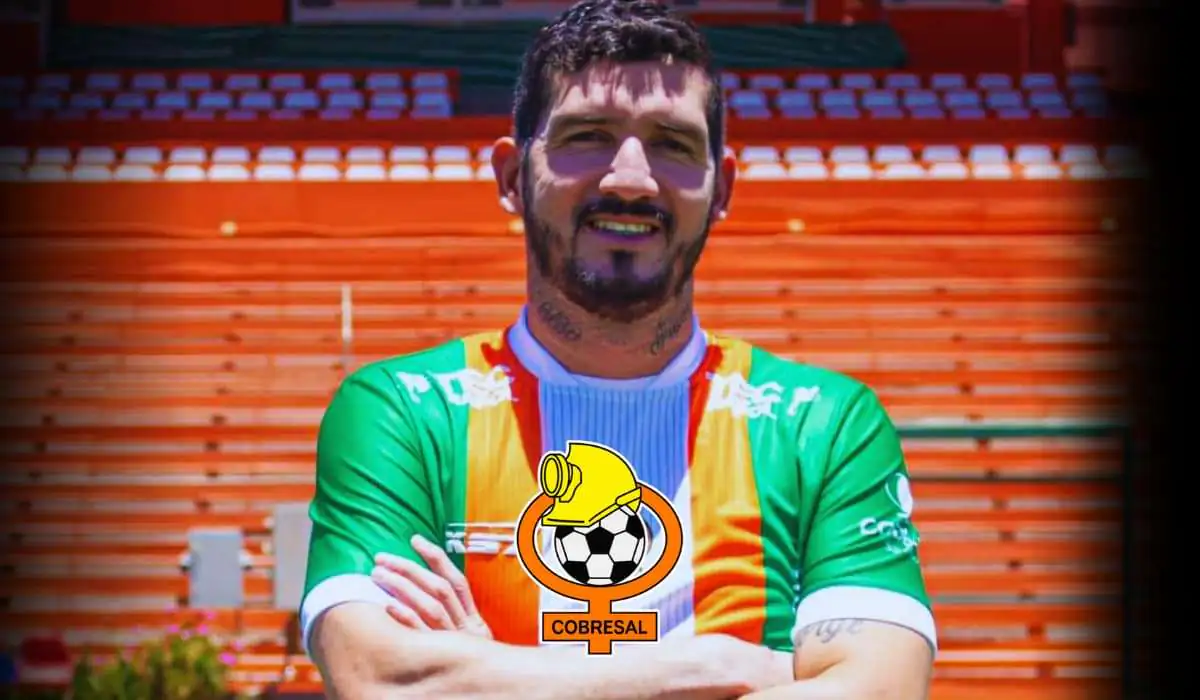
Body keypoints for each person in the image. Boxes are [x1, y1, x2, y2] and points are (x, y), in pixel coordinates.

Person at [299, 1, 936, 697]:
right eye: (588, 136)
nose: (630, 179)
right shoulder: (402, 412)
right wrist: (718, 665)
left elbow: (880, 689)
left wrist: (492, 674)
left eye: (672, 143)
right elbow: (381, 679)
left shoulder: (824, 424)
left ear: (721, 187)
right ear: (511, 176)